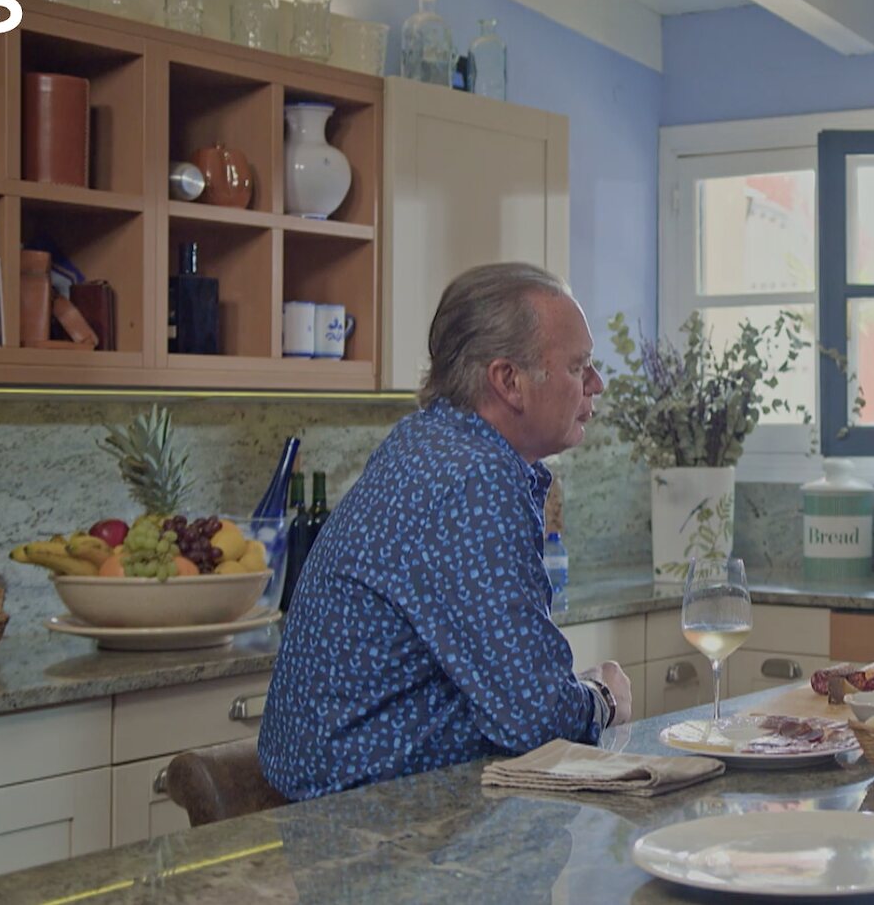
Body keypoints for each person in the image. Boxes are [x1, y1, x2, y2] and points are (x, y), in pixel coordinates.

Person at [259, 263, 631, 800]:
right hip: (370, 829)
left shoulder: (429, 442)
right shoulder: (472, 479)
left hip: (347, 806)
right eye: (580, 366)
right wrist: (605, 697)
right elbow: (535, 718)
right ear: (508, 381)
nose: (597, 384)